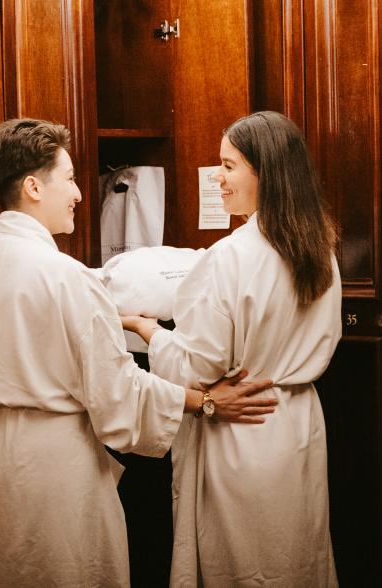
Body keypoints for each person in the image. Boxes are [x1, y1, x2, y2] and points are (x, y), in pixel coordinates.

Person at [0, 118, 278, 587]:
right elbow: (117, 392)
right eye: (71, 179)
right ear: (34, 186)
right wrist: (207, 401)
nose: (79, 194)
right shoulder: (65, 276)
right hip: (47, 466)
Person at [122, 111, 342, 587]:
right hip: (298, 423)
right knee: (295, 556)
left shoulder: (232, 256)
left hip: (242, 426)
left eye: (228, 166)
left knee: (245, 564)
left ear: (266, 173)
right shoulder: (320, 249)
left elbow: (197, 367)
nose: (217, 178)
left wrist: (149, 330)